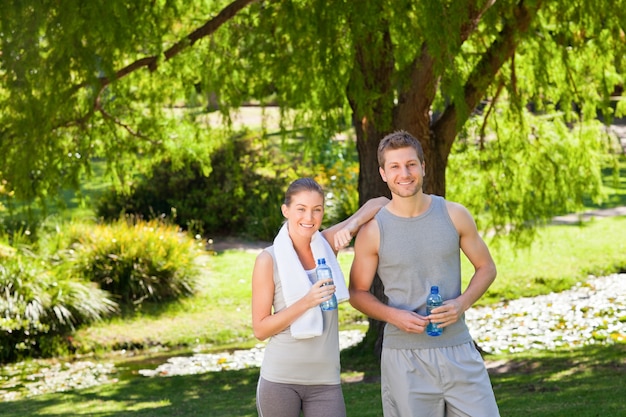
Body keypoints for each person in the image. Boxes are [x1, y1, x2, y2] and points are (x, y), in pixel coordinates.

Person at [349, 131, 500, 417]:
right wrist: (393, 316)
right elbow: (357, 292)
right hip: (404, 358)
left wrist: (461, 303)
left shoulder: (454, 214)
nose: (404, 174)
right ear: (383, 173)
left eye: (411, 164)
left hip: (459, 348)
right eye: (394, 167)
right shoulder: (373, 231)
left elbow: (486, 268)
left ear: (423, 167)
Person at [252, 177, 388, 417]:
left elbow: (379, 202)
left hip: (325, 382)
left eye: (317, 210)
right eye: (301, 209)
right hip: (280, 380)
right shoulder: (268, 260)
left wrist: (351, 226)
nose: (309, 218)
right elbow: (261, 329)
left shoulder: (326, 243)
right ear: (286, 210)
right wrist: (307, 301)